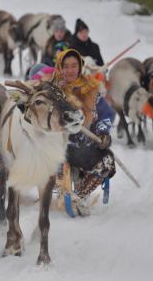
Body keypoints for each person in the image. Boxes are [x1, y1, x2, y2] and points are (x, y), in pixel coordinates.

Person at [52, 49, 115, 216]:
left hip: (85, 144)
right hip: (58, 145)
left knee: (107, 161)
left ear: (80, 67)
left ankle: (79, 196)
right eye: (66, 66)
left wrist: (103, 133)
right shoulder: (51, 89)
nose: (70, 70)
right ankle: (62, 189)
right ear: (60, 68)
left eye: (74, 66)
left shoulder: (91, 88)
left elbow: (106, 114)